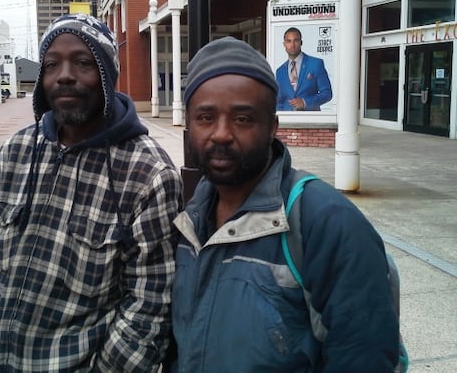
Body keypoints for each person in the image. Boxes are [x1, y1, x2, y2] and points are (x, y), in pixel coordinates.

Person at [0, 14, 183, 372]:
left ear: (107, 76)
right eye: (51, 64)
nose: (64, 75)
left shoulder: (148, 174)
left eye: (82, 62)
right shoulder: (17, 151)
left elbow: (151, 303)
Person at [170, 36, 399, 372]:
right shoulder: (187, 220)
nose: (220, 133)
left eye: (243, 119)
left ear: (272, 127)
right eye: (205, 117)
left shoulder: (327, 222)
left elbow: (363, 356)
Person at [275, 27, 332, 111]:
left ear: (301, 42)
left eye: (296, 40)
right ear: (284, 44)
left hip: (310, 120)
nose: (292, 45)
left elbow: (327, 93)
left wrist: (305, 102)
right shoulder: (280, 71)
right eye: (289, 41)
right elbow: (279, 101)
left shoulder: (315, 64)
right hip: (287, 121)